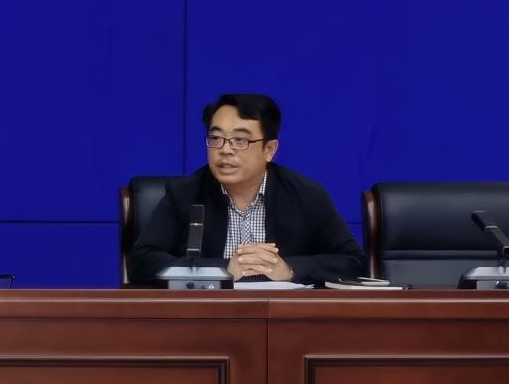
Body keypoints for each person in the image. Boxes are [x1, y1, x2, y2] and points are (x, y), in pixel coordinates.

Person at [129, 92, 363, 286]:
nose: (225, 150)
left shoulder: (307, 196)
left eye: (240, 141)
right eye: (216, 138)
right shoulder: (184, 194)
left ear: (269, 150)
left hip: (284, 319)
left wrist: (289, 269)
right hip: (206, 318)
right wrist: (223, 270)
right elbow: (142, 262)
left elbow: (353, 262)